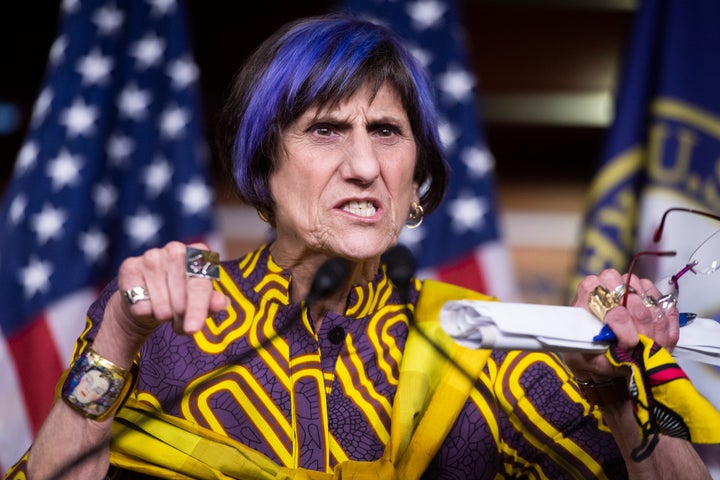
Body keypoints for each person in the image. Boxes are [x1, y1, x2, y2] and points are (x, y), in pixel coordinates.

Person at [5, 13, 713, 480]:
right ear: (261, 164)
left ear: (416, 184)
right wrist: (119, 340)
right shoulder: (166, 324)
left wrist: (622, 390)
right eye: (324, 130)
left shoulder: (479, 345)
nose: (365, 165)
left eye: (386, 131)